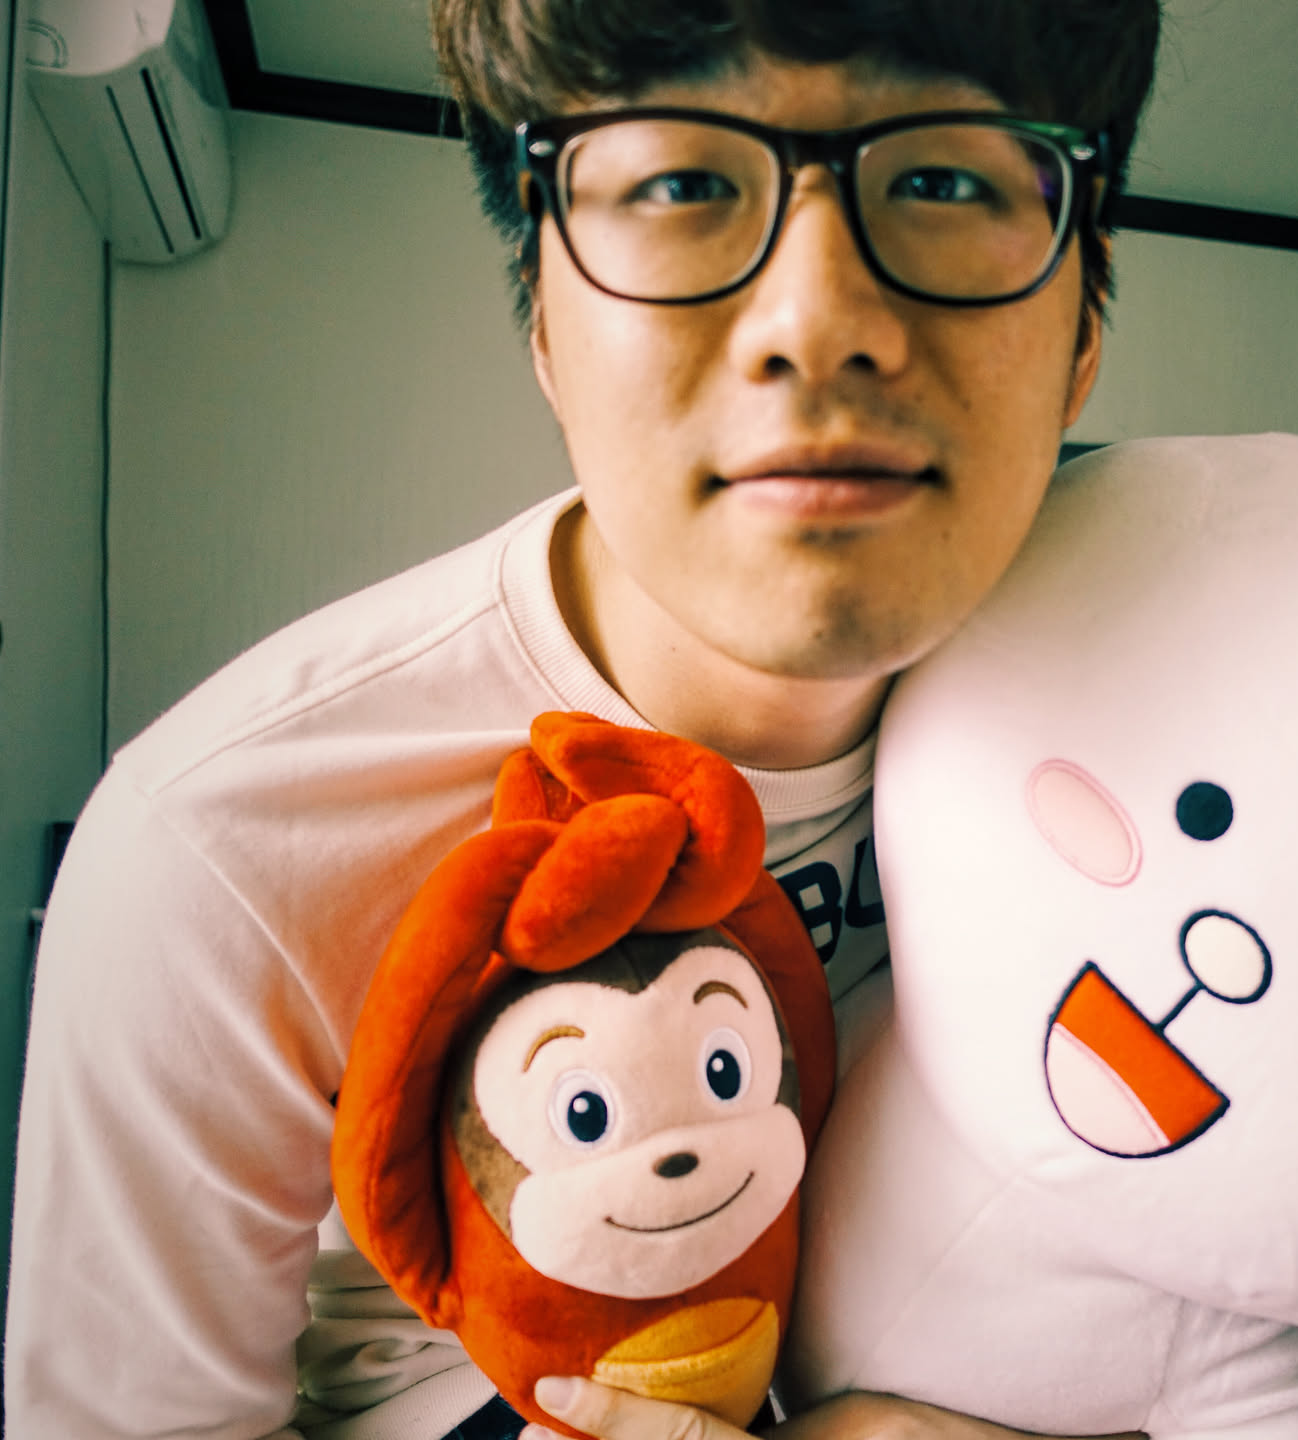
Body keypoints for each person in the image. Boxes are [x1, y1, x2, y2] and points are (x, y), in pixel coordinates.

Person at [4, 1, 1162, 1437]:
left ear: (1085, 330)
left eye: (941, 181)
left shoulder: (1186, 713)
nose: (819, 326)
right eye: (678, 183)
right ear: (544, 326)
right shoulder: (222, 846)